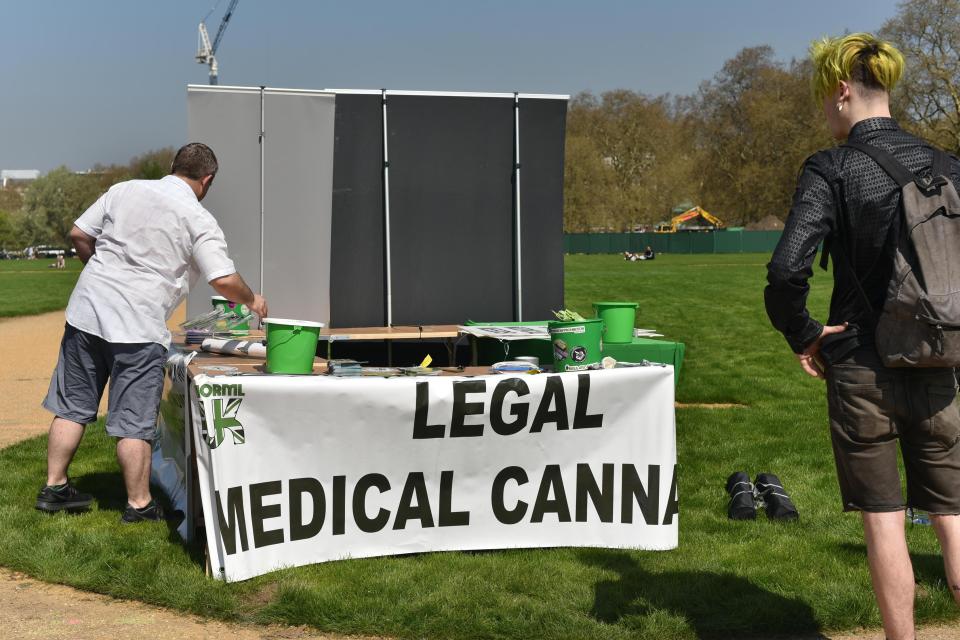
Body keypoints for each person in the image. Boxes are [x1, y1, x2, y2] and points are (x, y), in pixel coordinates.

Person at [765, 33, 960, 640]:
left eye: (825, 100)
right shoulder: (947, 164)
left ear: (842, 91)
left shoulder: (832, 167)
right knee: (954, 517)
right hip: (940, 364)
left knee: (883, 521)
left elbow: (786, 269)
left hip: (860, 368)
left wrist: (803, 333)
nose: (826, 113)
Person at [36, 142, 268, 524]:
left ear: (174, 167)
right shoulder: (198, 218)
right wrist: (252, 300)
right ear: (206, 180)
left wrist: (102, 276)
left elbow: (79, 233)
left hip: (86, 313)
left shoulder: (124, 189)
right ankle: (139, 505)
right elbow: (223, 279)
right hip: (137, 325)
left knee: (71, 407)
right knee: (133, 421)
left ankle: (55, 487)